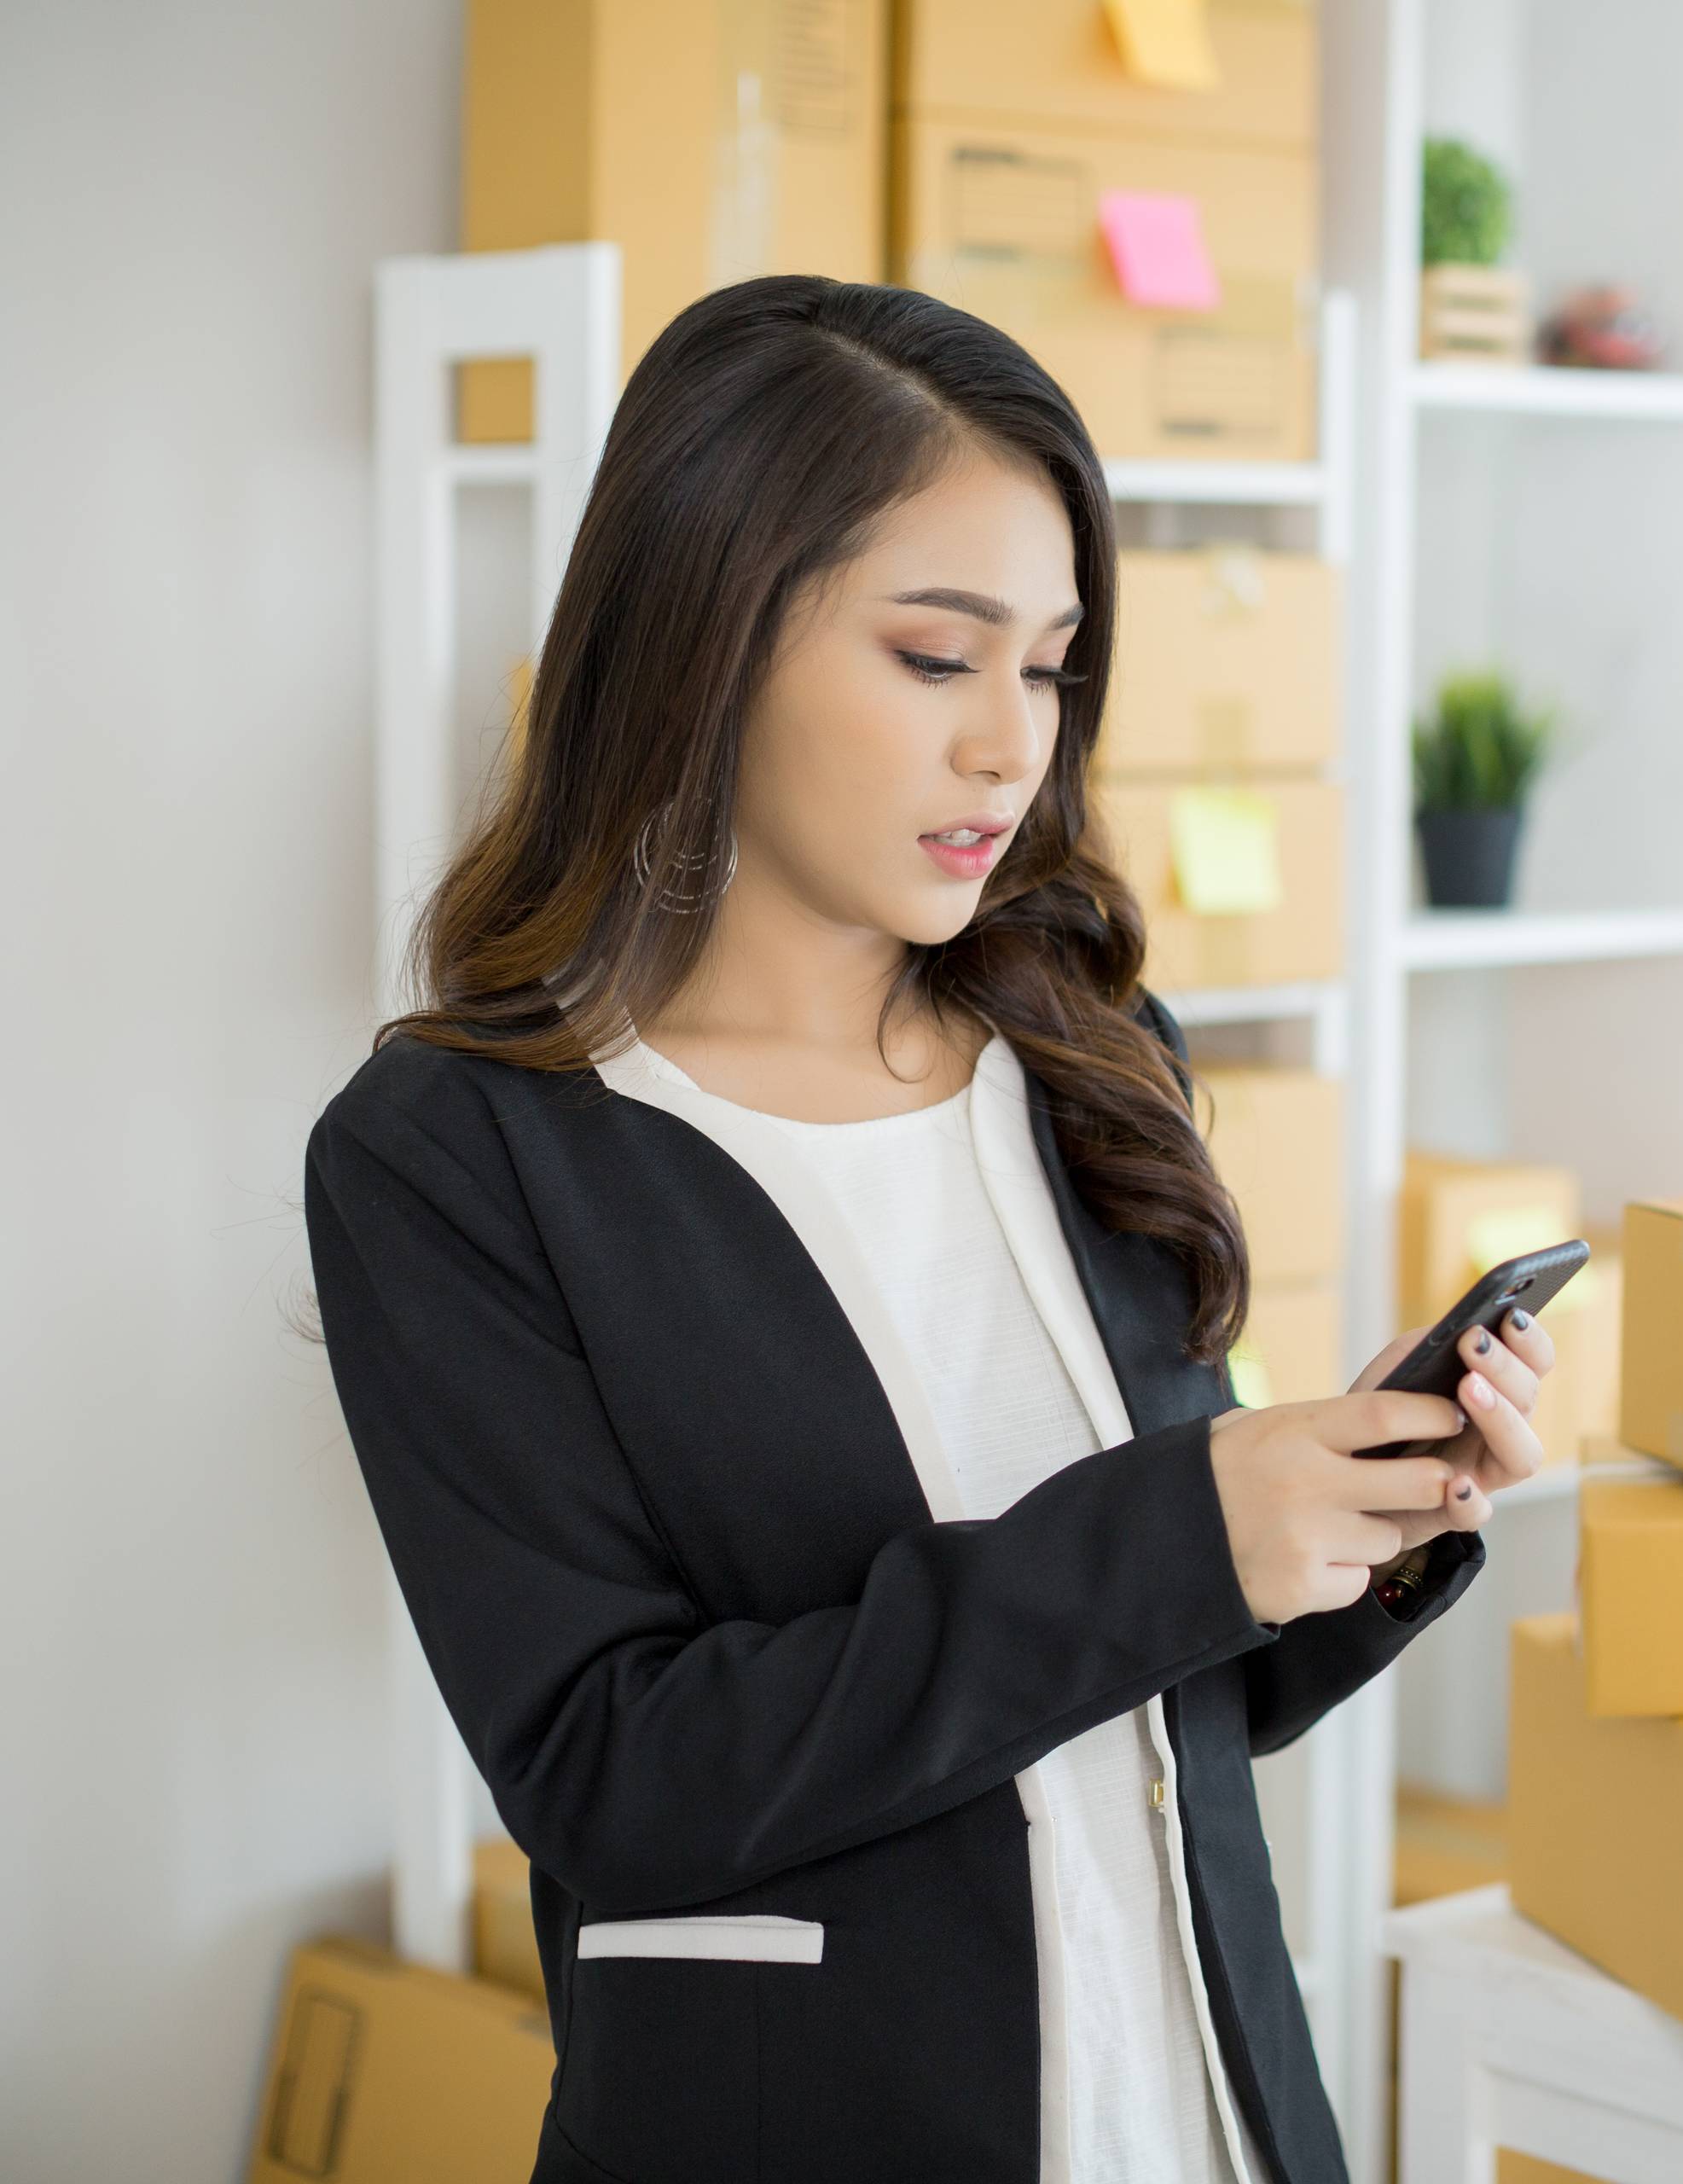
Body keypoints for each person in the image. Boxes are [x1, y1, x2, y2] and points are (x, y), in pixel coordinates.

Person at [304, 276, 1552, 2184]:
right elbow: (615, 1777)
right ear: (707, 635)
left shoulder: (1088, 1050)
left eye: (1049, 665)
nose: (1011, 747)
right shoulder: (459, 1157)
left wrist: (1355, 1510)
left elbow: (1169, 1698)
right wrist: (1184, 1523)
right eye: (933, 655)